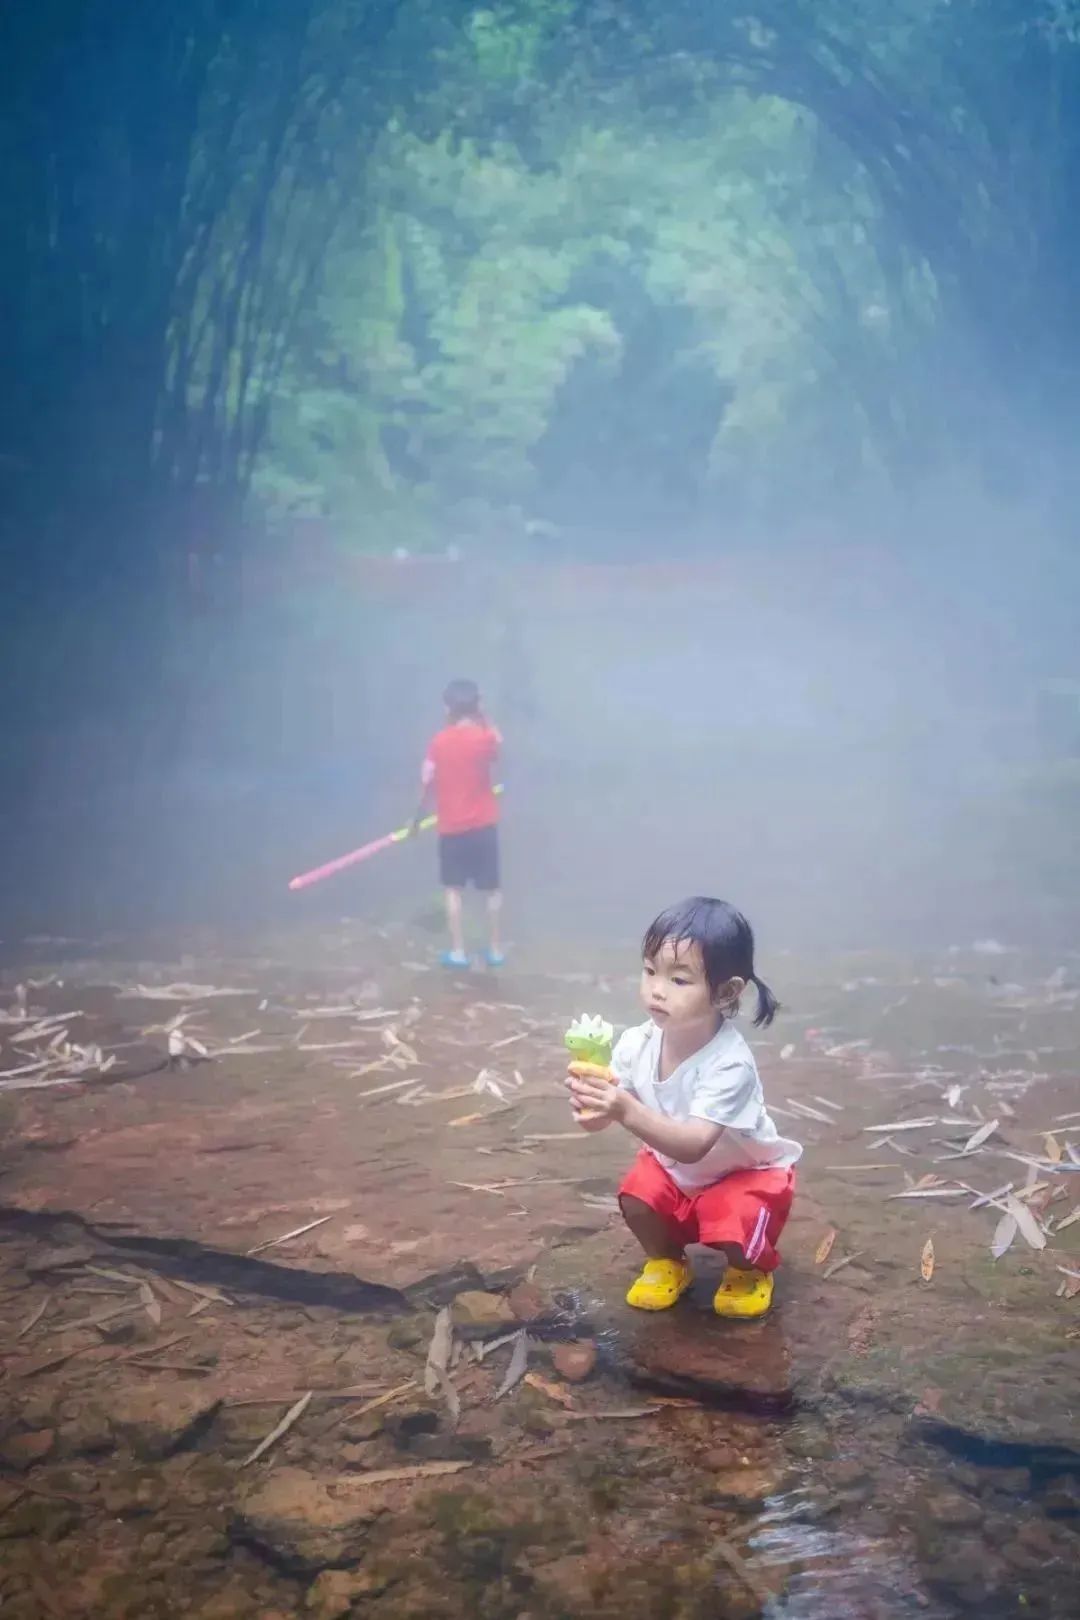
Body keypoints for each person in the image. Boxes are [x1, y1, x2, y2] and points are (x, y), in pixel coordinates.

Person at [565, 897, 800, 1319]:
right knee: (637, 1196)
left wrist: (622, 1108)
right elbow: (602, 1120)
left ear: (726, 992)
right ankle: (667, 1261)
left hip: (742, 1173)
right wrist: (593, 1103)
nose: (656, 988)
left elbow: (694, 1145)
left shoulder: (729, 1062)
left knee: (734, 1218)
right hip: (676, 1169)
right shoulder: (637, 1043)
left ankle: (750, 1271)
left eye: (679, 979)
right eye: (650, 970)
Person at [413, 678, 504, 969]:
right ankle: (495, 950)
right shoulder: (484, 738)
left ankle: (458, 952)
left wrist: (416, 820)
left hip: (451, 828)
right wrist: (484, 716)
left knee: (453, 890)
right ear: (476, 705)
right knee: (491, 890)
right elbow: (497, 746)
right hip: (484, 825)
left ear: (447, 708)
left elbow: (427, 783)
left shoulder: (437, 743)